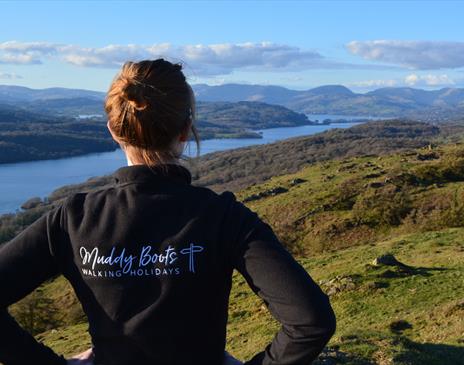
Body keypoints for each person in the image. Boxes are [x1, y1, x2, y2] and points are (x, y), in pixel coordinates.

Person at [0, 58, 336, 365]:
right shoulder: (225, 218)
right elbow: (311, 321)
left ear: (113, 131)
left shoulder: (73, 218)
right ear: (186, 130)